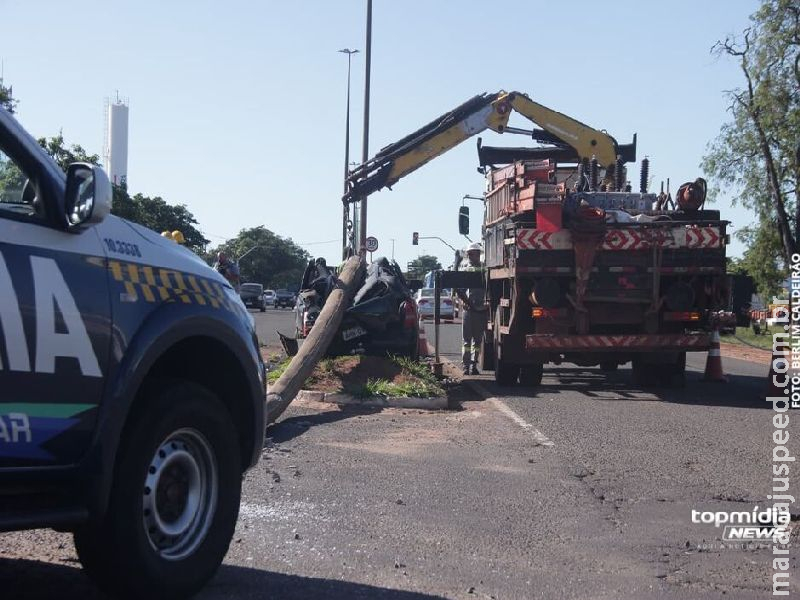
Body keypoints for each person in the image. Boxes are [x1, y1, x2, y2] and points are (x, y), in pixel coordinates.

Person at [456, 242, 488, 375]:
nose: (469, 256)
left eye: (472, 253)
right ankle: (466, 366)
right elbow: (460, 290)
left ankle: (473, 366)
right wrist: (468, 302)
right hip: (469, 309)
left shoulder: (485, 270)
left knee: (477, 341)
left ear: (478, 255)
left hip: (480, 310)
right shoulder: (466, 270)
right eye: (468, 253)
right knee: (467, 341)